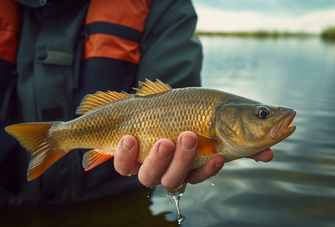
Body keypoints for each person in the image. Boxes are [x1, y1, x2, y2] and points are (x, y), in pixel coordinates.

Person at [0, 0, 273, 205]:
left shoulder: (164, 6)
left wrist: (175, 174)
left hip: (115, 199)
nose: (269, 116)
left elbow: (177, 92)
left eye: (262, 113)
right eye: (262, 114)